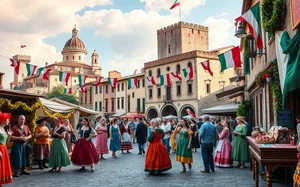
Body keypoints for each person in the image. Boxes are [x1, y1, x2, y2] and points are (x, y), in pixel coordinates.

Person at [0, 112, 13, 185]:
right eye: (7, 119)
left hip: (4, 148)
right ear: (3, 120)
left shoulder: (3, 128)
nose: (8, 121)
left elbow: (6, 142)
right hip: (0, 149)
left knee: (2, 166)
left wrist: (9, 135)